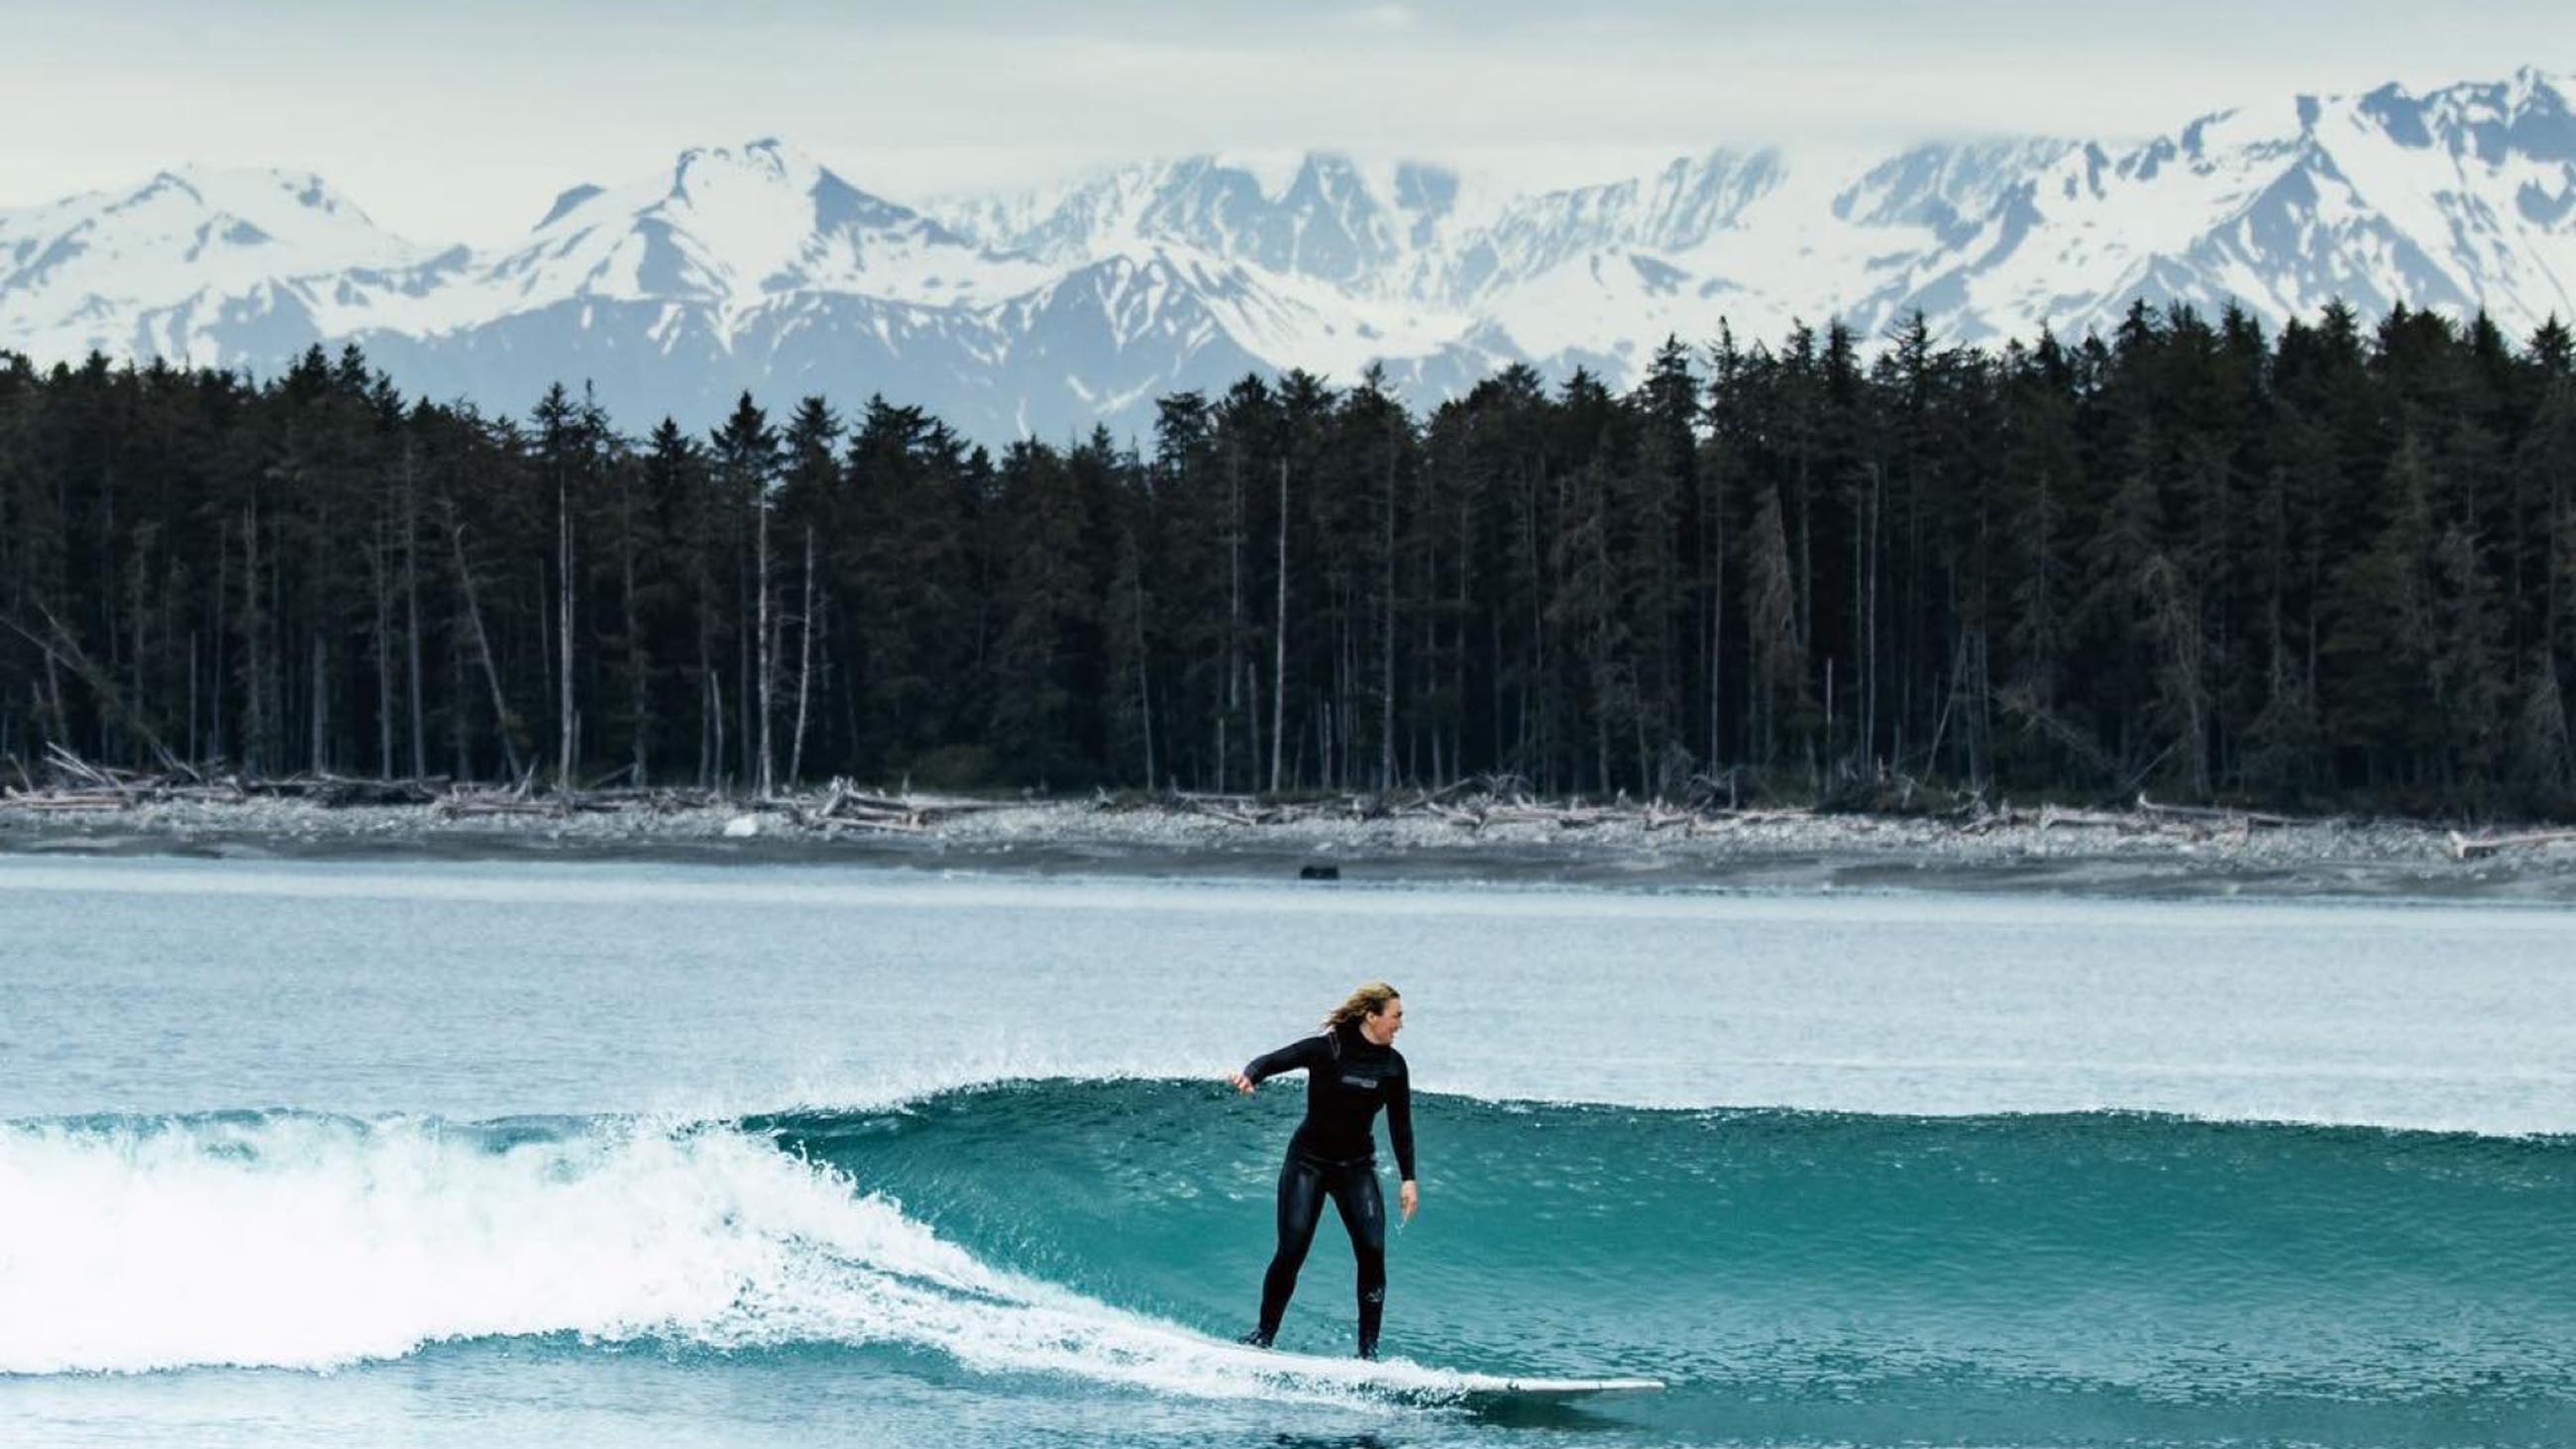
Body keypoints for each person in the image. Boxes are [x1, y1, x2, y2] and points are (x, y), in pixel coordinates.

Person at [1227, 981, 1418, 1359]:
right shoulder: (1327, 1048)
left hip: (1356, 1167)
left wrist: (1409, 1178)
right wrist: (1250, 1075)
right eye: (1395, 1016)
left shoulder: (1393, 1066)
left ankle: (1368, 1353)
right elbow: (1274, 1060)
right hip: (1308, 1163)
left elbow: (1401, 1124)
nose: (1400, 1024)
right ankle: (1264, 1335)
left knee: (1372, 1250)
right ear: (1371, 1016)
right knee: (1292, 1249)